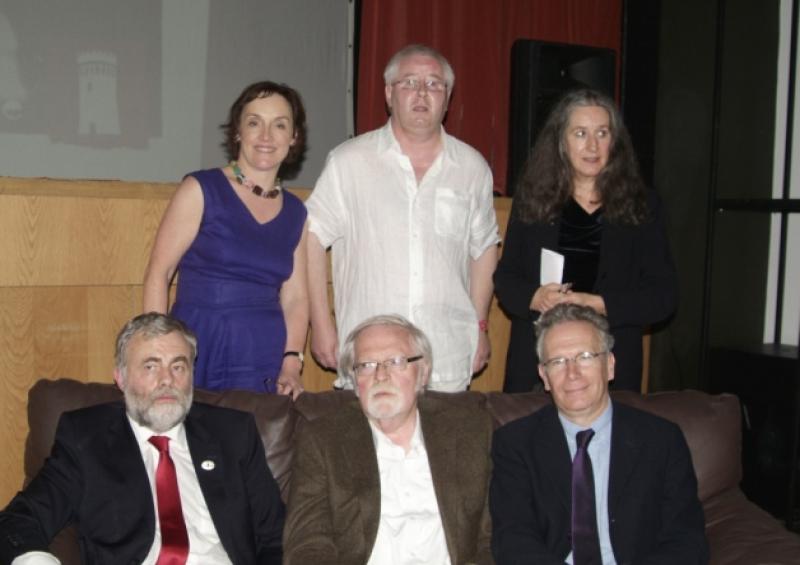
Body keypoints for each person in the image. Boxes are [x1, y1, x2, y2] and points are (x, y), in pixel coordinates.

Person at [0, 312, 284, 564]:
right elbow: (19, 520)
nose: (167, 380)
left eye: (178, 366)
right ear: (120, 378)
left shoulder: (233, 434)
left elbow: (276, 536)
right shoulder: (86, 438)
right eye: (150, 366)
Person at [306, 44, 500, 392]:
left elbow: (484, 249)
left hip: (448, 353)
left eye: (434, 84)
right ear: (388, 93)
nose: (422, 93)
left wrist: (480, 327)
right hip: (370, 357)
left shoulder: (472, 168)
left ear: (448, 96)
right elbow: (312, 238)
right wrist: (321, 323)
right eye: (409, 82)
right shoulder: (349, 161)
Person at [490, 303, 707, 564]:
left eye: (585, 357)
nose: (572, 373)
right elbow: (513, 541)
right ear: (544, 376)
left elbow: (686, 539)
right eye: (558, 362)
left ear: (610, 365)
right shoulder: (515, 443)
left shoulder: (662, 440)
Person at [494, 88, 677, 392]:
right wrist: (535, 297)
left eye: (602, 133)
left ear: (614, 142)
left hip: (612, 363)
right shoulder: (533, 199)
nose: (592, 145)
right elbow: (506, 279)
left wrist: (601, 304)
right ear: (561, 142)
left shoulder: (642, 205)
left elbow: (664, 297)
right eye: (580, 133)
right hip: (538, 365)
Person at [283, 314, 493, 564]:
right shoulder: (323, 439)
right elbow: (307, 543)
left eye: (395, 361)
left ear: (423, 373)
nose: (380, 376)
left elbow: (491, 537)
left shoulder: (470, 430)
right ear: (354, 380)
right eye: (367, 365)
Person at [143, 81, 309, 398]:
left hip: (262, 354)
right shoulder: (200, 189)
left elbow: (296, 298)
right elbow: (158, 273)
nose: (265, 136)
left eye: (279, 125)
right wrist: (158, 352)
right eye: (254, 122)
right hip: (197, 344)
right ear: (237, 132)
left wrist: (291, 363)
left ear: (293, 138)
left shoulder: (296, 212)